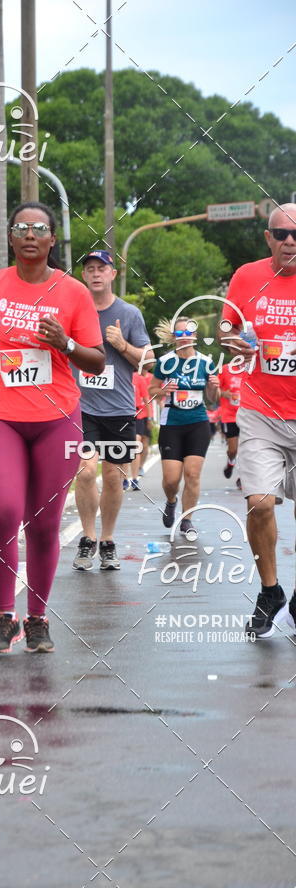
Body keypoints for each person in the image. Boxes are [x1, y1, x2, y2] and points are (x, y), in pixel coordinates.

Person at [0, 201, 105, 653]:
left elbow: (97, 361)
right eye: (20, 226)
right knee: (2, 511)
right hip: (0, 413)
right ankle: (5, 617)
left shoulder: (73, 292)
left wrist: (66, 342)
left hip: (57, 419)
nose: (28, 234)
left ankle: (37, 618)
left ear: (51, 240)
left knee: (41, 523)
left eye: (38, 228)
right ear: (10, 236)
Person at [219, 202, 296, 639]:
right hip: (261, 411)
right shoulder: (247, 276)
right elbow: (225, 328)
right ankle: (270, 591)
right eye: (281, 233)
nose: (289, 241)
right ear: (268, 237)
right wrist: (234, 342)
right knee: (260, 503)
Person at [72, 250, 154, 571]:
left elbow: (147, 362)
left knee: (114, 478)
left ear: (112, 275)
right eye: (89, 269)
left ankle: (107, 541)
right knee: (85, 472)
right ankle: (88, 537)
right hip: (82, 408)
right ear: (84, 276)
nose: (95, 274)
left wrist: (121, 344)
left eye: (101, 269)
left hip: (119, 410)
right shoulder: (75, 310)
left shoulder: (129, 314)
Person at [149, 316, 219, 537]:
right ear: (174, 337)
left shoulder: (206, 362)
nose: (184, 338)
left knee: (193, 475)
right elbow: (152, 390)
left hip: (198, 422)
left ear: (195, 336)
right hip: (172, 424)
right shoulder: (166, 361)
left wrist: (214, 387)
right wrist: (164, 390)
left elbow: (212, 397)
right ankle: (171, 501)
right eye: (179, 334)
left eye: (188, 333)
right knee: (171, 480)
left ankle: (187, 519)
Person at [218, 360, 244, 485]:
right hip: (229, 416)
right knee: (233, 450)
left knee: (248, 450)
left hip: (249, 415)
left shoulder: (253, 368)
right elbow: (214, 391)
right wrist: (224, 393)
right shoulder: (225, 369)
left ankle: (243, 478)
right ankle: (231, 463)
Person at [130, 370, 152, 489]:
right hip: (119, 414)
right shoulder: (115, 373)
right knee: (123, 446)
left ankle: (134, 478)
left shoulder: (139, 378)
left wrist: (149, 418)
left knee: (136, 444)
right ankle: (124, 479)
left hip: (137, 414)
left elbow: (146, 398)